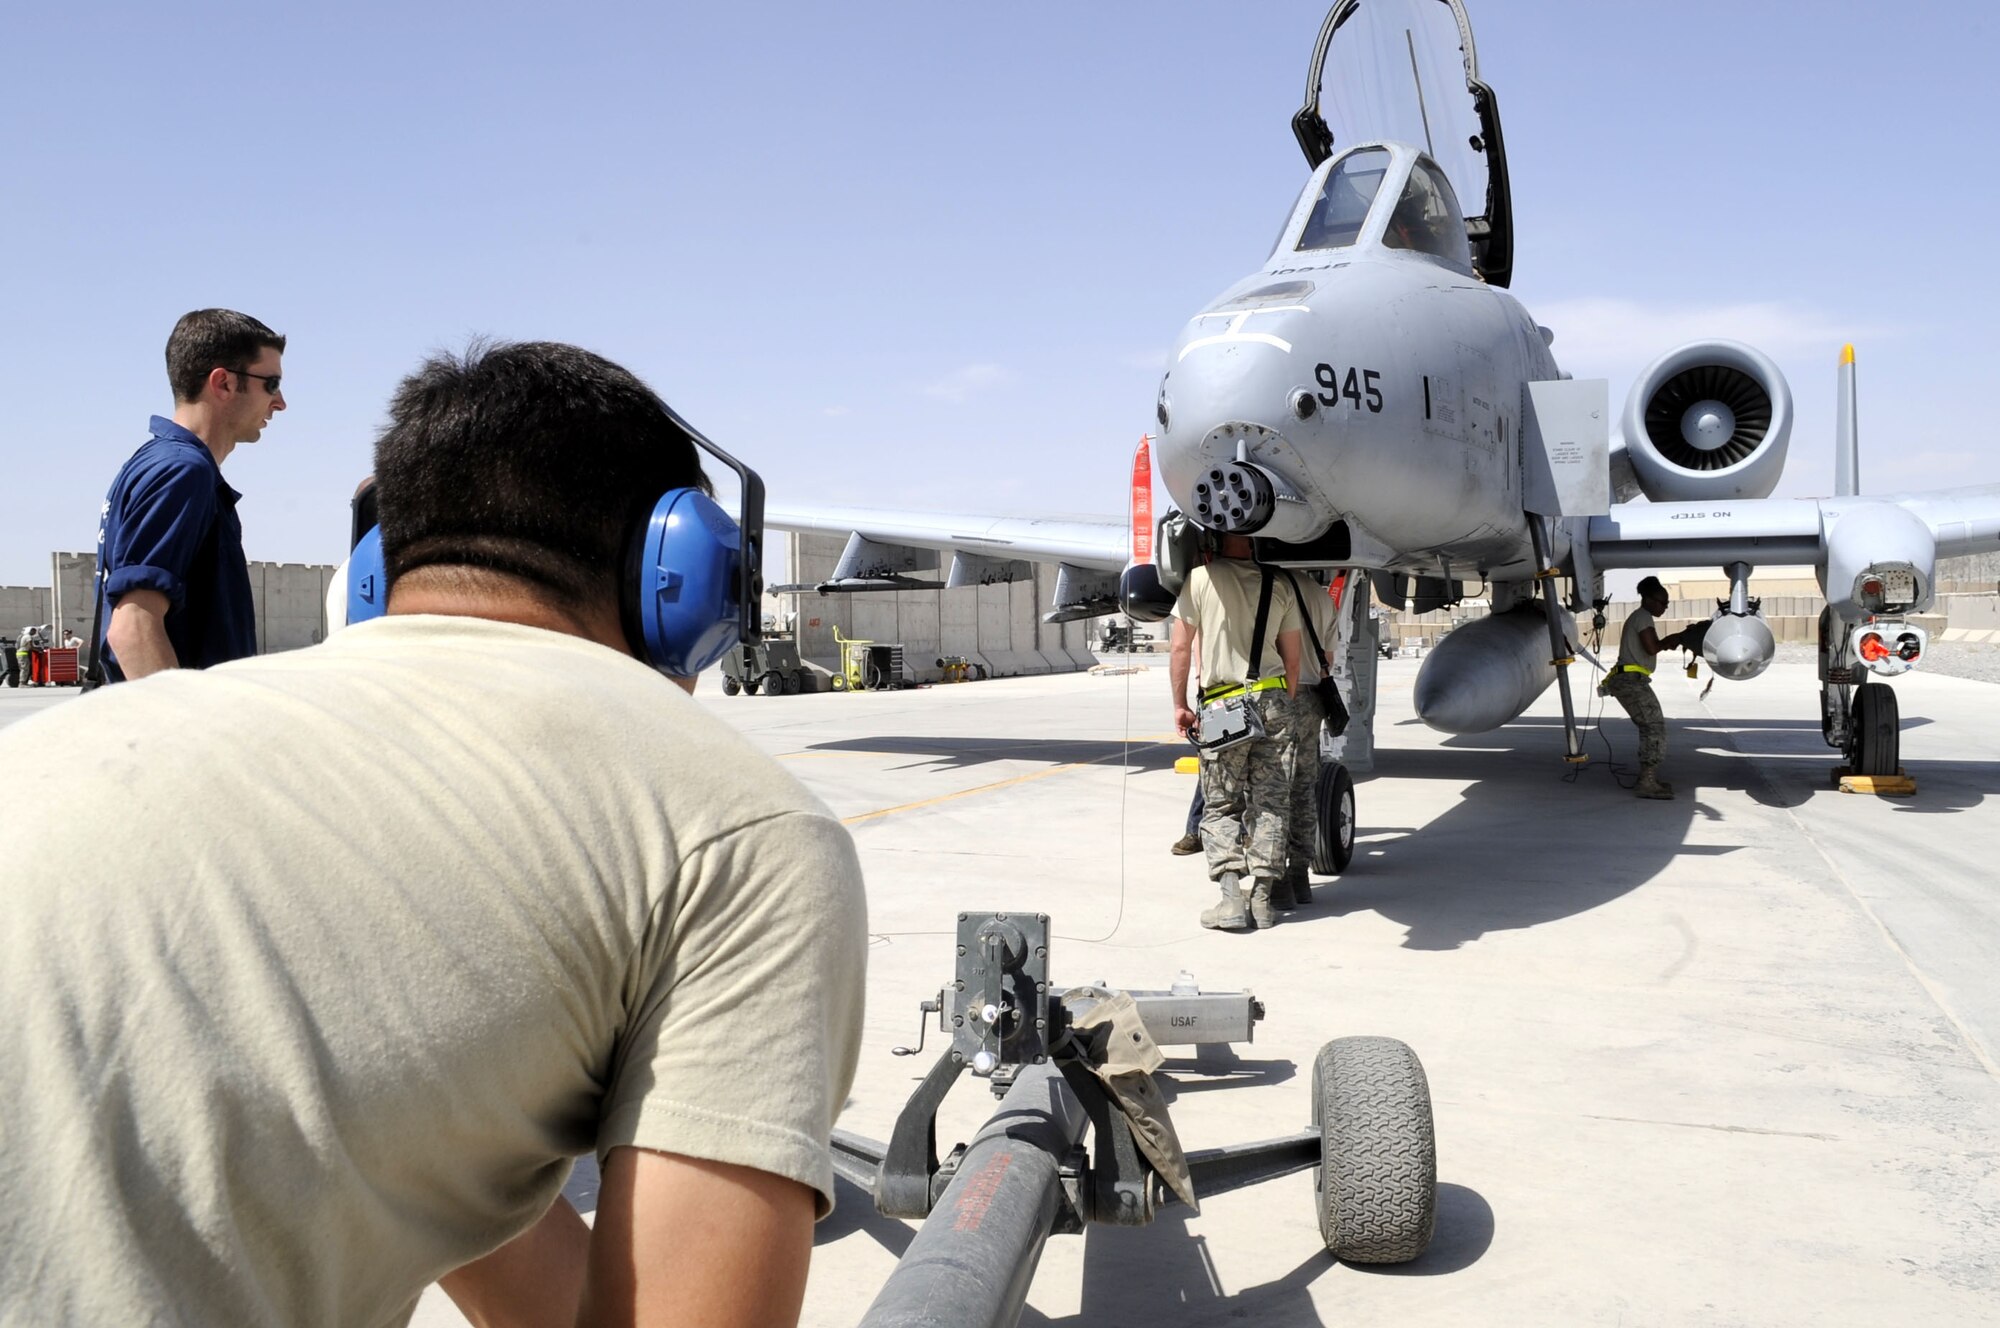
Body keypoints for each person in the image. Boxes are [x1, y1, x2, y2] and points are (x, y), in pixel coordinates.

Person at [0, 340, 870, 1326]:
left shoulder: (96, 739)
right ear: (687, 577)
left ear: (374, 572)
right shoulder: (741, 831)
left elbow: (429, 1165)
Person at [93, 308, 286, 682]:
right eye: (272, 384)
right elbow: (133, 626)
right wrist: (186, 732)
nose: (279, 403)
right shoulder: (182, 472)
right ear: (224, 383)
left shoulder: (157, 462)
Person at [1169, 534, 1302, 931]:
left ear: (1215, 540)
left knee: (1221, 804)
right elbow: (1292, 661)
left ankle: (1230, 901)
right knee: (1272, 804)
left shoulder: (1199, 579)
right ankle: (1262, 901)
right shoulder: (1279, 583)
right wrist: (1279, 703)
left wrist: (1181, 705)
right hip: (1274, 698)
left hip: (1224, 704)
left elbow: (1180, 648)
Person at [1279, 570, 1346, 909]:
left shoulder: (1274, 587)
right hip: (1313, 698)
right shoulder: (1322, 597)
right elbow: (1329, 661)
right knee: (1304, 788)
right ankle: (1300, 875)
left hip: (1280, 696)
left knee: (1272, 791)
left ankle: (1274, 880)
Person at [1601, 575, 1694, 799]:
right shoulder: (1643, 618)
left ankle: (1648, 777)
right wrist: (1673, 639)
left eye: (1667, 603)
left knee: (1651, 725)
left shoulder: (1641, 617)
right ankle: (1647, 782)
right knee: (1653, 726)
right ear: (1649, 599)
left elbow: (1651, 647)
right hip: (1630, 681)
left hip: (1632, 679)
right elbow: (1652, 648)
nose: (1665, 607)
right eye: (1663, 602)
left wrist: (1671, 640)